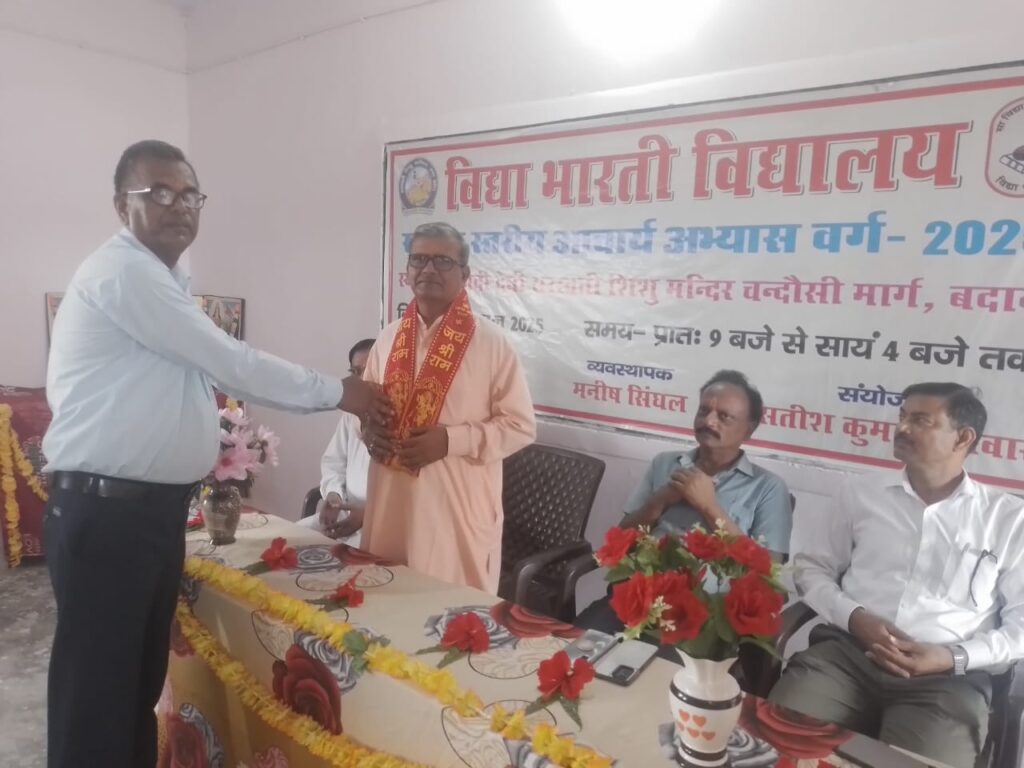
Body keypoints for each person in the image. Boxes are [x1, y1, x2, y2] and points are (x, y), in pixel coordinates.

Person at [42, 140, 388, 768]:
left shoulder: (167, 282)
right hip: (107, 516)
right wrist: (344, 392)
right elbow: (233, 363)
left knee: (132, 695)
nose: (179, 206)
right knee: (96, 704)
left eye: (190, 195)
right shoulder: (124, 273)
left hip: (143, 515)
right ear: (121, 206)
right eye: (159, 193)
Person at [769, 383, 1024, 768]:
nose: (902, 428)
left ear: (963, 438)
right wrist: (855, 618)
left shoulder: (1007, 519)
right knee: (779, 747)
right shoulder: (860, 492)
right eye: (903, 417)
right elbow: (812, 569)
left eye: (921, 420)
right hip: (847, 655)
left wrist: (951, 657)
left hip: (946, 682)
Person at [361, 222, 536, 593]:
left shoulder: (492, 343)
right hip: (390, 503)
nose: (428, 269)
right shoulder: (388, 338)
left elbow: (521, 427)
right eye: (419, 259)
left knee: (448, 612)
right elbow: (368, 407)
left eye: (442, 261)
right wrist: (368, 430)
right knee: (386, 604)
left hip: (454, 512)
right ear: (408, 270)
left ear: (465, 274)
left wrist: (450, 441)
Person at [576, 369, 793, 633]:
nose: (709, 421)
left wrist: (708, 506)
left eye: (724, 416)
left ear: (750, 428)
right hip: (639, 598)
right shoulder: (665, 463)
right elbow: (621, 538)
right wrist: (660, 501)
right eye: (703, 411)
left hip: (708, 618)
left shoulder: (768, 488)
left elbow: (768, 574)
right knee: (575, 646)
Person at [297, 338, 375, 545]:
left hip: (380, 522)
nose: (362, 379)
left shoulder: (406, 416)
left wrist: (368, 514)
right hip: (345, 512)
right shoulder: (352, 414)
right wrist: (334, 497)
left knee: (337, 558)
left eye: (368, 370)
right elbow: (333, 462)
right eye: (356, 372)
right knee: (288, 537)